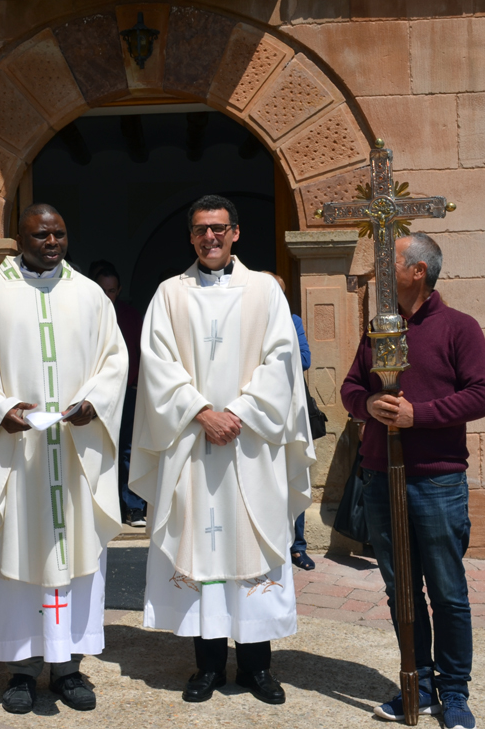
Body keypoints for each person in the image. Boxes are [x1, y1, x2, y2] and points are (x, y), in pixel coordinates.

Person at [0, 204, 128, 715]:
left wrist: (95, 402)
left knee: (77, 556)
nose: (52, 242)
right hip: (17, 460)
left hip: (73, 456)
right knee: (16, 555)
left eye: (59, 234)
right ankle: (21, 669)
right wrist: (0, 409)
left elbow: (115, 362)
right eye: (41, 234)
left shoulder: (89, 295)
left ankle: (68, 668)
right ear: (19, 238)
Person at [130, 195, 315, 705]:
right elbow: (157, 364)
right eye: (199, 230)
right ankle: (208, 666)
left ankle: (257, 668)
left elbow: (282, 360)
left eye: (218, 228)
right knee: (201, 548)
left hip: (250, 445)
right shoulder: (170, 294)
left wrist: (239, 411)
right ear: (191, 237)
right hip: (192, 444)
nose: (209, 237)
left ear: (235, 232)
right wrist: (200, 412)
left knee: (251, 540)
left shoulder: (264, 291)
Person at [341, 232, 485, 729]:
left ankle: (454, 692)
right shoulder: (378, 330)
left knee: (447, 591)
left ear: (417, 272)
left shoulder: (459, 328)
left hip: (436, 481)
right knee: (401, 591)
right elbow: (350, 387)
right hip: (379, 478)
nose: (380, 272)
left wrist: (418, 415)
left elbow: (483, 395)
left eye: (390, 262)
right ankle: (420, 684)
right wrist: (367, 404)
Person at [263, 272, 316, 572]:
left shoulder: (292, 321)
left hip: (287, 412)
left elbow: (305, 359)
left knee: (292, 472)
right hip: (253, 413)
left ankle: (297, 546)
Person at [90, 260, 146, 527]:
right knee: (99, 448)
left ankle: (134, 508)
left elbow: (142, 351)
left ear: (119, 290)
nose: (107, 296)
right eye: (102, 290)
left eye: (111, 290)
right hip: (95, 397)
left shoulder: (130, 315)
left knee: (129, 451)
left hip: (129, 394)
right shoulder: (85, 314)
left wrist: (138, 384)